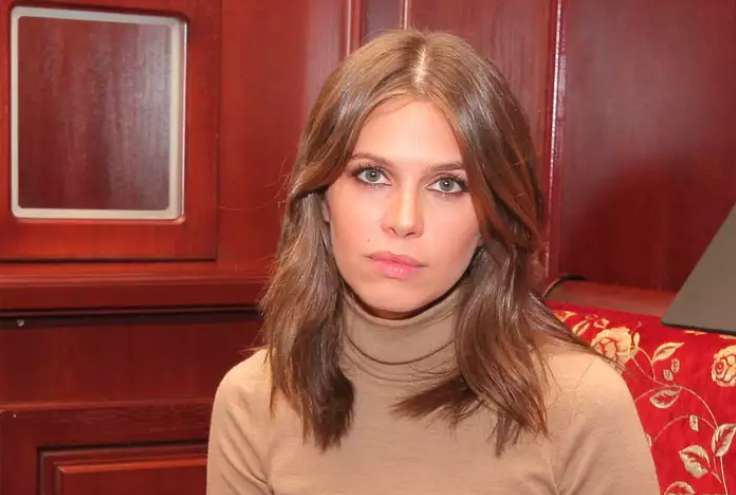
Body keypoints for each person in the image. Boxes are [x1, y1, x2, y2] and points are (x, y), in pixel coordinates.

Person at [207, 29, 660, 494]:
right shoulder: (253, 399)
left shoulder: (580, 402)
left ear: (491, 218)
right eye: (372, 175)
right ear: (322, 198)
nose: (404, 220)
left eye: (448, 185)